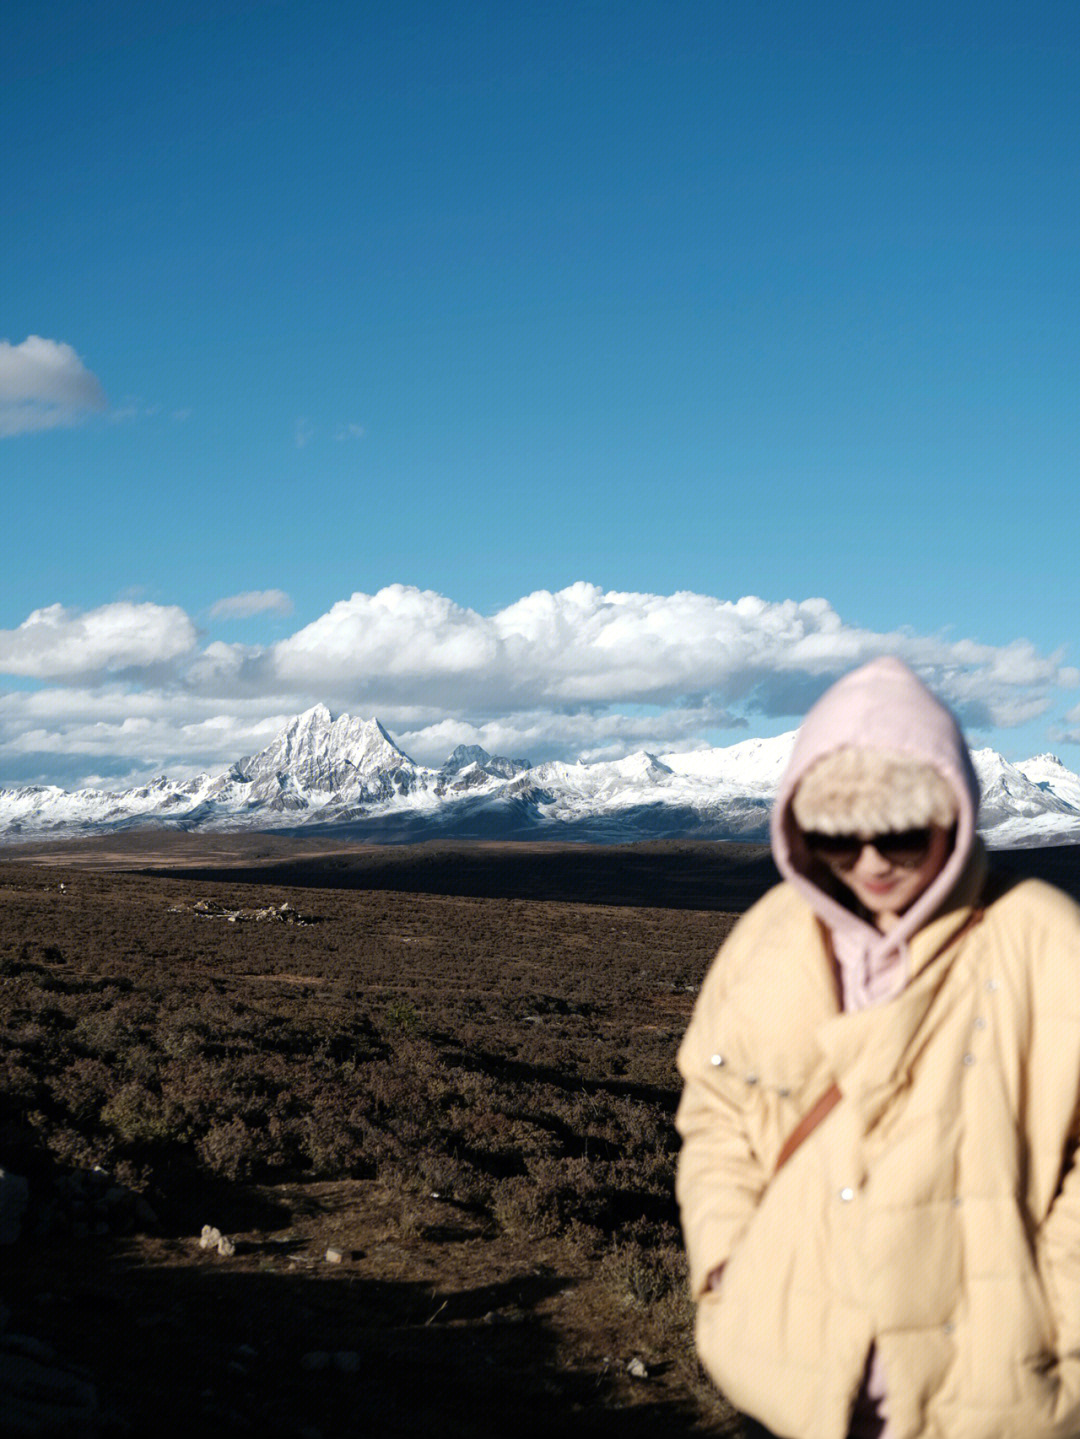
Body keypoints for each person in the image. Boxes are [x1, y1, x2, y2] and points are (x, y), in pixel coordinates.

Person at [675, 657, 1080, 1439]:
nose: (870, 863)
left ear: (952, 817)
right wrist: (729, 1263)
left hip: (995, 1388)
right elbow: (716, 1109)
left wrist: (1055, 1320)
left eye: (899, 831)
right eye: (835, 836)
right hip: (793, 1371)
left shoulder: (1044, 940)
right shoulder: (768, 937)